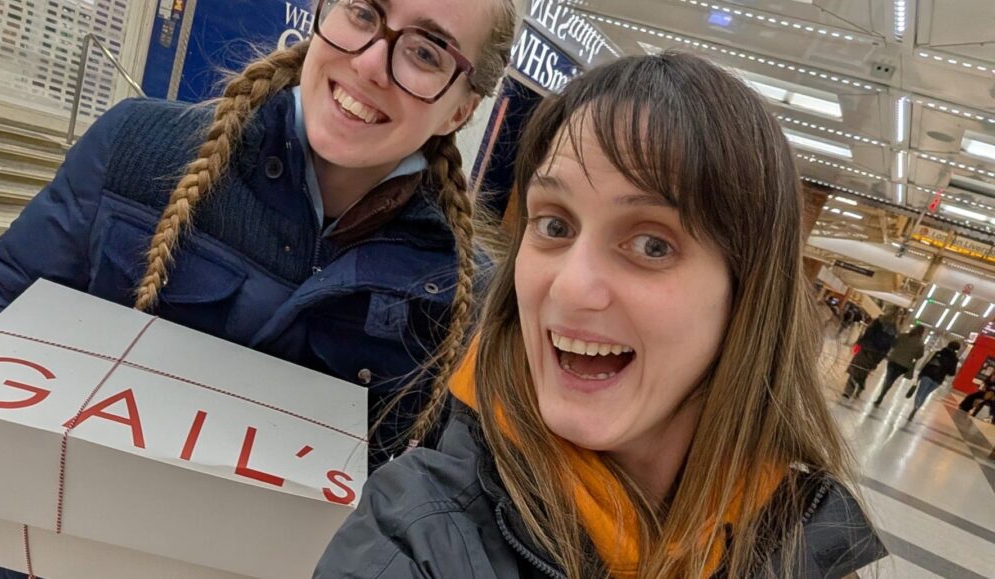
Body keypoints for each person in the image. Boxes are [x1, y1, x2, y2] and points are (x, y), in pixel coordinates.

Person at [0, 0, 516, 570]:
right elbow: (1, 297)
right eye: (363, 11)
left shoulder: (461, 292)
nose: (372, 62)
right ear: (327, 5)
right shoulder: (139, 148)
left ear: (462, 108)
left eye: (426, 52)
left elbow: (447, 499)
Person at [315, 53, 885, 578]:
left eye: (652, 245)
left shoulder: (803, 545)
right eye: (554, 225)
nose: (570, 287)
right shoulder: (417, 535)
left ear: (749, 295)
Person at [843, 308, 898, 399]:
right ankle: (860, 387)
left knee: (856, 368)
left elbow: (867, 334)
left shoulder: (878, 322)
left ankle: (848, 391)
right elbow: (889, 346)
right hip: (876, 354)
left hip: (866, 349)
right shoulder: (894, 330)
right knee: (864, 371)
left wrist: (859, 343)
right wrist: (880, 359)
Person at [873, 325, 926, 406]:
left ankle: (881, 395)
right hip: (903, 365)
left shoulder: (903, 336)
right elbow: (920, 355)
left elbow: (893, 344)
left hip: (893, 360)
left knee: (888, 378)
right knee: (891, 380)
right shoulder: (920, 344)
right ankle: (882, 395)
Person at [908, 341, 960, 420]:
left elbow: (929, 364)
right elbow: (952, 373)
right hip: (938, 380)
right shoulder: (954, 359)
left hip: (928, 375)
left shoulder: (939, 353)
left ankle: (916, 406)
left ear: (948, 345)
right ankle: (916, 408)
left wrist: (920, 374)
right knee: (925, 394)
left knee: (920, 393)